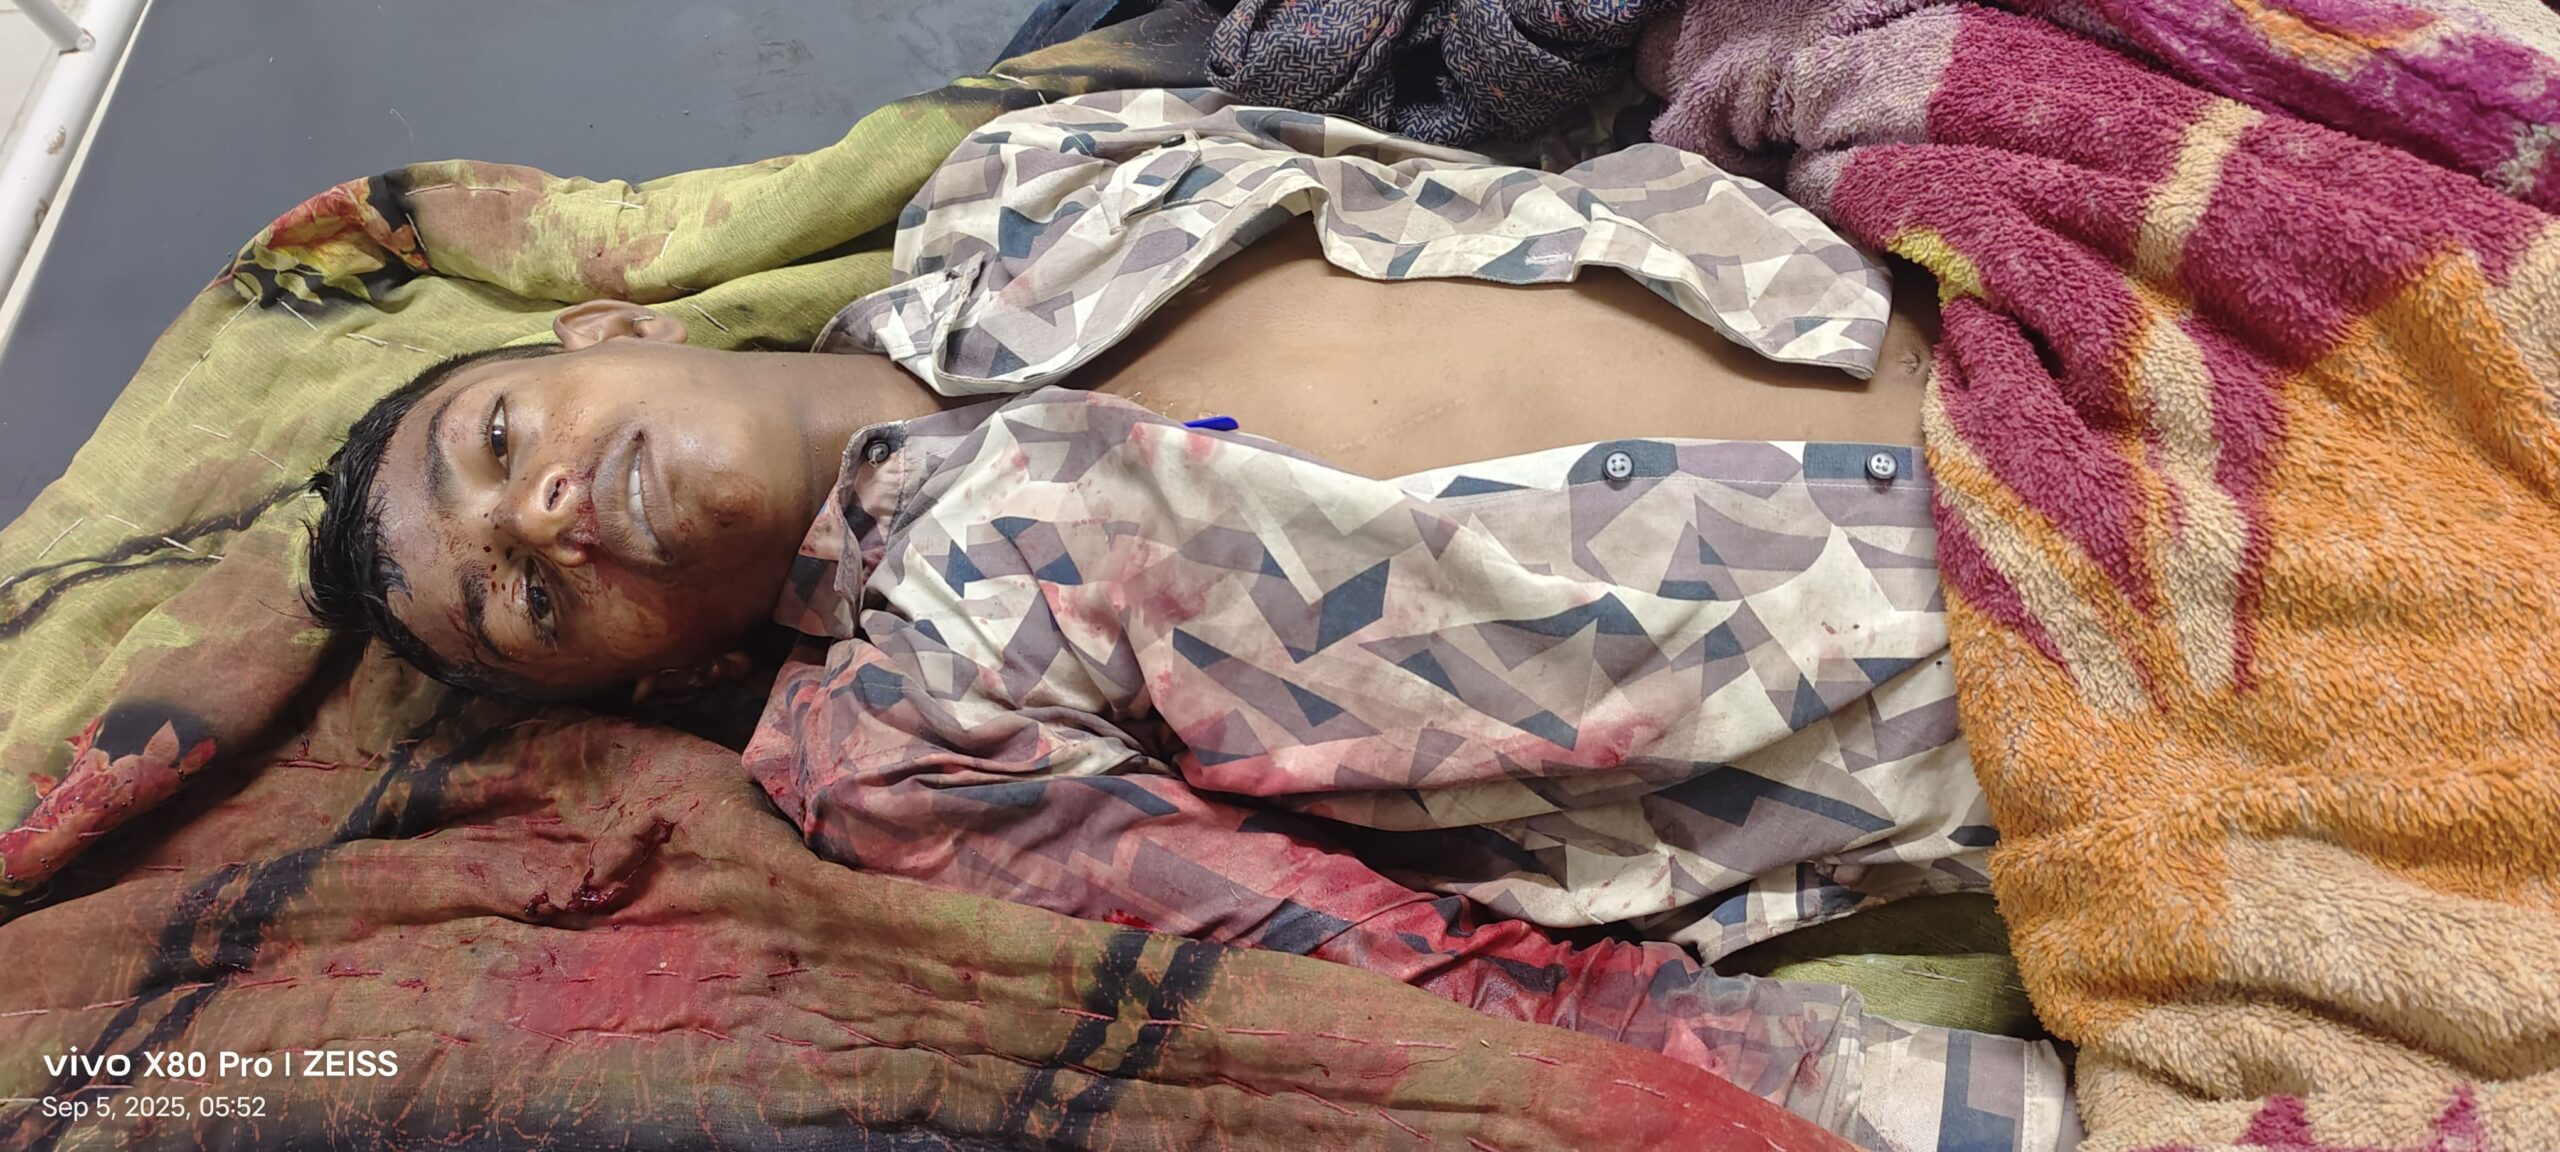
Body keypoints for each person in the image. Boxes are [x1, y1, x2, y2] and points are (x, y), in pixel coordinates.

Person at [305, 90, 2067, 1151]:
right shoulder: (902, 735)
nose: (542, 514)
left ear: (614, 332)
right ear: (659, 672)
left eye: (499, 440)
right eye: (529, 601)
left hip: (2015, 287)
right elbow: (1416, 981)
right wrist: (1967, 1118)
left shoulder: (1026, 181)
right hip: (2034, 665)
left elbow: (1504, 168)